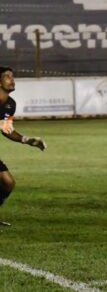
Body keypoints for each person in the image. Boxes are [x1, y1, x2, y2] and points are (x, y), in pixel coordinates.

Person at [1, 66, 47, 224]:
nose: (12, 80)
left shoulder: (9, 104)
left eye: (12, 76)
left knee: (8, 183)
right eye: (7, 77)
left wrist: (28, 140)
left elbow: (6, 130)